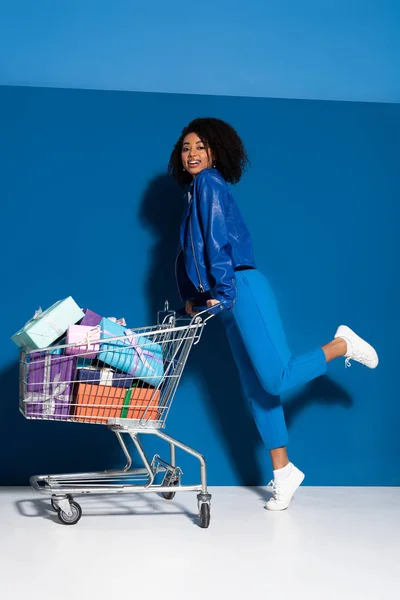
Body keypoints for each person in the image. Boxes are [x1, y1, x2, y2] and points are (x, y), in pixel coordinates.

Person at [168, 117, 378, 511]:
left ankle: (342, 343)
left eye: (201, 146)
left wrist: (225, 293)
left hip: (241, 288)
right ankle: (284, 473)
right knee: (258, 391)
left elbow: (215, 243)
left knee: (276, 377)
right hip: (225, 295)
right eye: (186, 148)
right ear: (179, 157)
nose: (193, 153)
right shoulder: (194, 194)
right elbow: (192, 255)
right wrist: (192, 301)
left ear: (216, 152)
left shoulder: (209, 183)